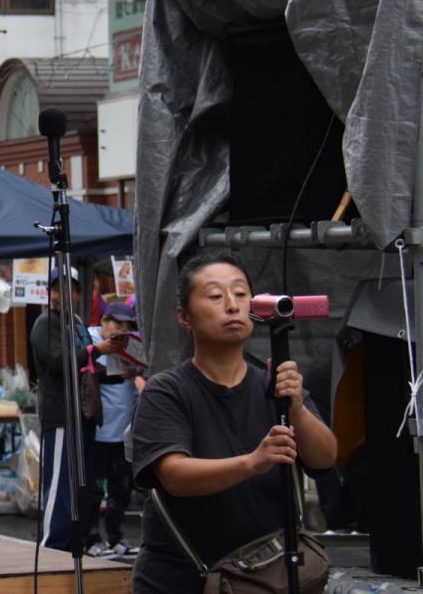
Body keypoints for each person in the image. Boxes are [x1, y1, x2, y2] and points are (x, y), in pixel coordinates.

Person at [130, 252, 338, 592]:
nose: (231, 305)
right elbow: (174, 476)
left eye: (241, 294)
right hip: (182, 579)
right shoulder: (166, 391)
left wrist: (297, 407)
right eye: (214, 296)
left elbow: (324, 458)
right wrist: (253, 462)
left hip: (266, 577)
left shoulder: (274, 383)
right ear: (184, 317)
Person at [29, 266, 124, 553]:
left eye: (70, 287)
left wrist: (122, 374)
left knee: (81, 486)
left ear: (79, 292)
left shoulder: (78, 322)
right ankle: (52, 544)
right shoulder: (45, 323)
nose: (64, 293)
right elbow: (60, 362)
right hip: (60, 415)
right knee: (59, 484)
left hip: (83, 415)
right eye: (58, 288)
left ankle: (76, 542)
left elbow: (87, 368)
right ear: (51, 293)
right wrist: (98, 350)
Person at [85, 301, 141, 558]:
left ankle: (117, 538)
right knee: (95, 489)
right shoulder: (91, 339)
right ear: (104, 322)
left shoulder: (131, 344)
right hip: (97, 432)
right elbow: (86, 371)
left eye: (123, 325)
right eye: (113, 323)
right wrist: (120, 375)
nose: (117, 329)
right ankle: (91, 538)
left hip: (124, 432)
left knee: (121, 489)